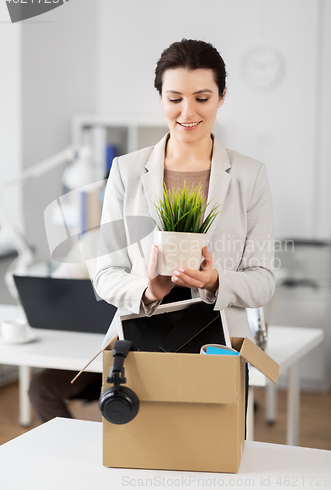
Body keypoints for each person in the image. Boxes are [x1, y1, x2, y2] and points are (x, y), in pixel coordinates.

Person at [94, 39, 275, 349]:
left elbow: (263, 281)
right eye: (174, 98)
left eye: (202, 98)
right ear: (161, 98)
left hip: (220, 347)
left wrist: (215, 280)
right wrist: (149, 291)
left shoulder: (250, 175)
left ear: (221, 97)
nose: (187, 112)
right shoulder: (126, 171)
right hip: (139, 344)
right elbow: (105, 274)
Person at [28, 224, 104, 422]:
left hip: (136, 350)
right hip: (90, 350)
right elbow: (59, 286)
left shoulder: (160, 240)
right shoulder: (94, 241)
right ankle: (68, 449)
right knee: (40, 389)